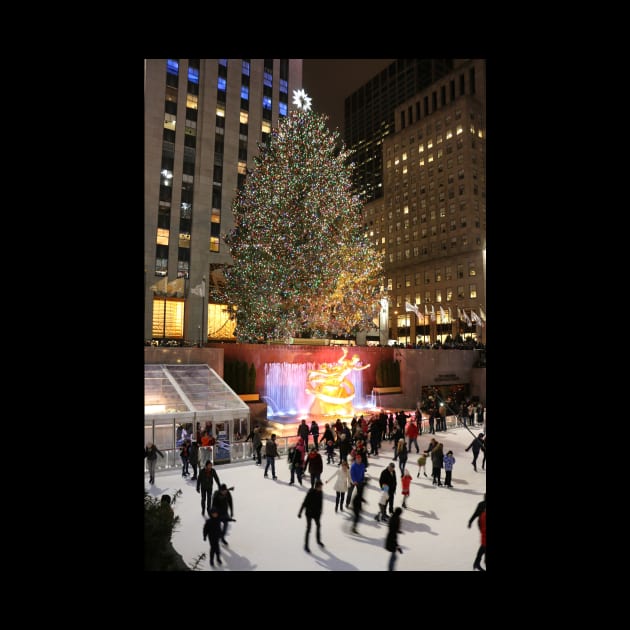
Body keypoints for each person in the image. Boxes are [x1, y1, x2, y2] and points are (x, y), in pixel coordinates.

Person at [298, 480, 324, 552]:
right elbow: (304, 503)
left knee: (318, 525)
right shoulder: (310, 493)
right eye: (321, 487)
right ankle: (306, 545)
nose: (322, 488)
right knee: (309, 528)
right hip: (309, 513)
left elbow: (321, 503)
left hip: (316, 514)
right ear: (317, 487)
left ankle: (318, 541)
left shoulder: (321, 493)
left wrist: (320, 511)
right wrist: (300, 512)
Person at [468, 496, 486, 571]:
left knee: (484, 544)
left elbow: (475, 514)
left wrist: (470, 522)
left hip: (482, 525)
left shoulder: (481, 504)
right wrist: (470, 521)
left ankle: (478, 562)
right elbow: (476, 514)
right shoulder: (482, 505)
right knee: (484, 544)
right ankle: (478, 562)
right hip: (483, 525)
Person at [385, 507, 403, 571]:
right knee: (393, 557)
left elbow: (392, 527)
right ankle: (390, 569)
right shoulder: (396, 519)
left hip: (390, 537)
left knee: (394, 556)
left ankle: (391, 569)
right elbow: (393, 535)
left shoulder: (393, 517)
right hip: (391, 540)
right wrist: (398, 547)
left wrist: (397, 531)